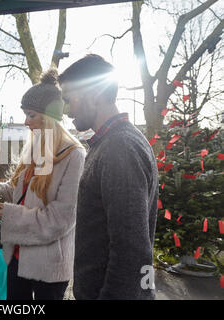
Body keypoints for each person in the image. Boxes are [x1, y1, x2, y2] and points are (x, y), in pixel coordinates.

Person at [58, 54, 158, 300]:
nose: (65, 109)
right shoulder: (111, 143)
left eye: (68, 98)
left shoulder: (119, 148)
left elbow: (131, 251)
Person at [0, 69, 86, 300]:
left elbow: (60, 220)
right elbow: (15, 191)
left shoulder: (74, 155)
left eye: (31, 115)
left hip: (49, 267)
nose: (26, 122)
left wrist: (8, 215)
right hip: (17, 258)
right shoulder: (35, 147)